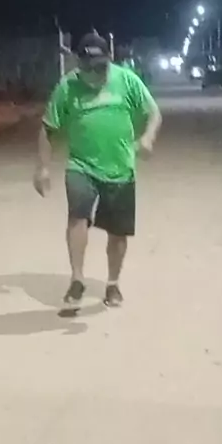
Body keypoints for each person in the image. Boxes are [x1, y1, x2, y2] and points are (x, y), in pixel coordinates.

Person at [33, 33, 162, 309]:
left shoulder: (126, 79)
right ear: (79, 64)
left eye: (101, 67)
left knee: (118, 232)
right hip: (81, 165)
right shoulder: (67, 87)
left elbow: (153, 112)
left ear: (109, 61)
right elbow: (48, 127)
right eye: (90, 68)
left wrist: (148, 137)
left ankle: (113, 284)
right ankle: (77, 279)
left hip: (121, 167)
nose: (97, 74)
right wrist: (42, 167)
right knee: (77, 217)